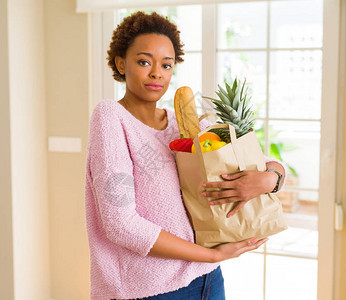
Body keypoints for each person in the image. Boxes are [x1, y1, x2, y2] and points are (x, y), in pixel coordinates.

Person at [84, 11, 286, 300]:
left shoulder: (184, 122)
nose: (157, 73)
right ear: (120, 63)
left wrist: (270, 179)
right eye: (144, 62)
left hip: (207, 280)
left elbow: (267, 161)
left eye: (166, 65)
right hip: (149, 289)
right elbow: (120, 224)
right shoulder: (111, 117)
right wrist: (208, 255)